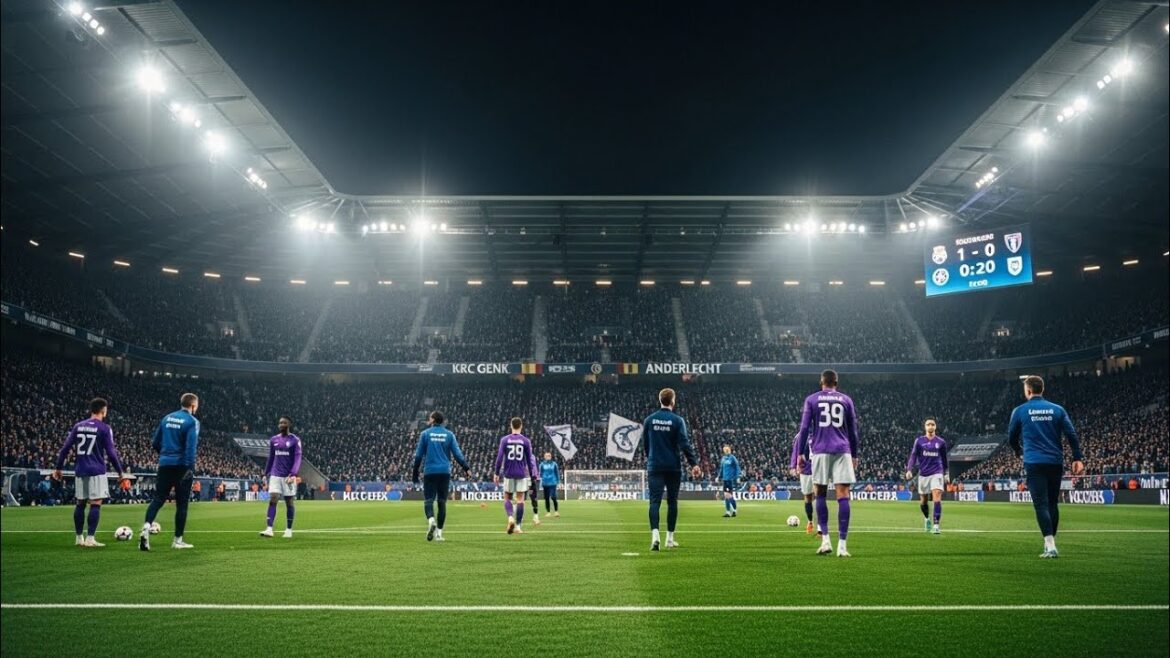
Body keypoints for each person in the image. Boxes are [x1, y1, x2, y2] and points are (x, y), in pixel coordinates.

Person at [1008, 375, 1084, 558]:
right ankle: (1050, 544)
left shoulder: (1020, 410)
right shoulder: (1057, 409)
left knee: (1040, 504)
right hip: (1055, 462)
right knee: (1052, 502)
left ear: (1027, 391)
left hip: (1034, 462)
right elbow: (1071, 434)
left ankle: (1050, 545)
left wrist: (1018, 450)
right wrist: (1077, 458)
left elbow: (1011, 436)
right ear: (1042, 389)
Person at [796, 369, 859, 557]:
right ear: (836, 382)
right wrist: (854, 455)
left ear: (821, 382)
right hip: (842, 450)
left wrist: (800, 452)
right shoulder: (846, 400)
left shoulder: (812, 399)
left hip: (821, 450)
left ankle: (825, 542)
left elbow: (805, 428)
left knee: (820, 493)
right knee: (843, 495)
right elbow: (853, 431)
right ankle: (842, 546)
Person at [52, 398, 125, 547]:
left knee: (80, 503)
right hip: (97, 470)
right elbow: (111, 453)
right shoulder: (105, 428)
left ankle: (79, 538)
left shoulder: (78, 426)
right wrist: (120, 473)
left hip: (80, 469)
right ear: (103, 411)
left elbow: (65, 448)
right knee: (96, 503)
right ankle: (90, 538)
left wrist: (58, 468)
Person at [643, 388, 702, 551]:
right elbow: (684, 444)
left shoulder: (649, 420)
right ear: (673, 401)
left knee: (654, 502)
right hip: (673, 467)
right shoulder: (677, 420)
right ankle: (669, 539)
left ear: (660, 400)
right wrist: (694, 464)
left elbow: (645, 445)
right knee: (672, 502)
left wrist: (652, 460)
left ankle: (655, 537)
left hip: (655, 466)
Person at [141, 393, 200, 551]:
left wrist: (165, 455)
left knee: (158, 499)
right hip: (182, 466)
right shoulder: (192, 422)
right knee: (182, 504)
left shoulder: (166, 418)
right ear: (193, 406)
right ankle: (177, 540)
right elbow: (190, 449)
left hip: (165, 464)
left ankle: (146, 527)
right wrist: (189, 469)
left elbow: (155, 442)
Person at [412, 411, 470, 542]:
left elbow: (418, 455)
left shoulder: (425, 434)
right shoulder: (449, 435)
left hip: (430, 471)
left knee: (428, 500)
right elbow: (457, 454)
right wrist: (466, 468)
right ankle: (439, 534)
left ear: (432, 420)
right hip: (444, 471)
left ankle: (431, 520)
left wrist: (415, 472)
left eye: (429, 418)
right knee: (442, 502)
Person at [493, 417, 537, 534]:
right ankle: (518, 527)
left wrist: (496, 473)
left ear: (511, 426)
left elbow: (499, 458)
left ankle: (510, 517)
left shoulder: (504, 440)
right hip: (521, 473)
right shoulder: (526, 441)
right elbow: (529, 460)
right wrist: (532, 476)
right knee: (520, 500)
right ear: (521, 426)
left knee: (507, 497)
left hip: (508, 473)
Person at [904, 418, 949, 535]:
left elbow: (944, 459)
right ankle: (927, 519)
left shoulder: (941, 442)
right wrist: (909, 469)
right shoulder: (919, 441)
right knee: (923, 501)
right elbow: (913, 456)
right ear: (925, 427)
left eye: (932, 424)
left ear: (935, 427)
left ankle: (936, 525)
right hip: (923, 474)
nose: (930, 426)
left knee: (937, 496)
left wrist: (946, 473)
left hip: (937, 472)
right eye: (928, 424)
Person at [260, 417, 302, 539]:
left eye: (284, 422)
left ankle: (288, 529)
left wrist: (293, 473)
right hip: (275, 475)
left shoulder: (295, 440)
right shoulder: (274, 439)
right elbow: (271, 457)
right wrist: (265, 473)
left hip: (288, 476)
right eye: (280, 423)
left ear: (289, 424)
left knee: (289, 502)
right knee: (273, 499)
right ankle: (269, 529)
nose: (281, 424)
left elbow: (298, 458)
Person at [788, 432, 817, 535]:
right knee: (808, 497)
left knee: (819, 496)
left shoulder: (822, 430)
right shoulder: (801, 435)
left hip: (819, 468)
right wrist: (793, 465)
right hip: (805, 469)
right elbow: (796, 450)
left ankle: (821, 527)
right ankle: (810, 522)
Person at [718, 444, 740, 518]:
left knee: (728, 495)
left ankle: (734, 510)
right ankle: (728, 512)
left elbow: (737, 467)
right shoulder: (723, 458)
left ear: (729, 450)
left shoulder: (732, 458)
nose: (726, 450)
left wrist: (738, 477)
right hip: (725, 479)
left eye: (727, 449)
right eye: (725, 449)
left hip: (731, 479)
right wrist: (719, 476)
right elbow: (721, 469)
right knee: (726, 496)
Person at [538, 452, 561, 518]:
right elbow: (540, 473)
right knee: (546, 498)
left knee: (553, 497)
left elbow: (557, 473)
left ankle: (556, 511)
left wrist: (558, 481)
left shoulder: (554, 464)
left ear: (551, 456)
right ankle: (548, 512)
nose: (548, 456)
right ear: (544, 457)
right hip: (545, 483)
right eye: (547, 456)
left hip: (553, 482)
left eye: (549, 455)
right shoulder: (542, 464)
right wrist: (541, 480)